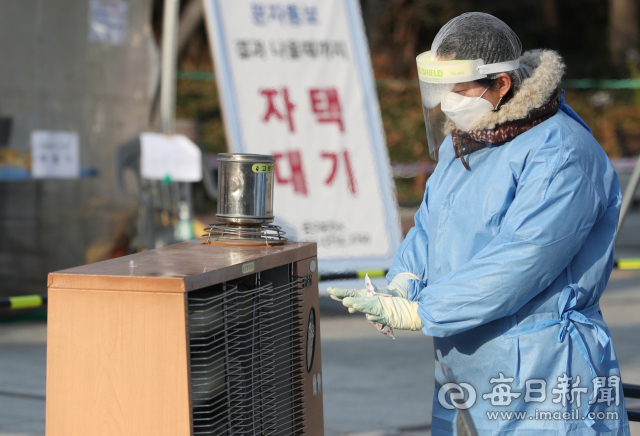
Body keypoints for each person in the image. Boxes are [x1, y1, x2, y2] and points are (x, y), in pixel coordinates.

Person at [328, 12, 631, 436]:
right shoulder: (468, 140)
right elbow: (431, 225)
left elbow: (524, 257)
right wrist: (404, 282)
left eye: (458, 87)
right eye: (439, 87)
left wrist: (422, 311)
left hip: (543, 366)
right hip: (463, 365)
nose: (445, 100)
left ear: (501, 84)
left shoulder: (561, 152)